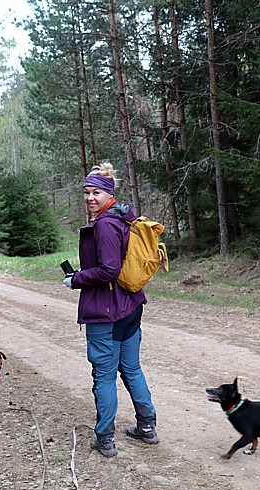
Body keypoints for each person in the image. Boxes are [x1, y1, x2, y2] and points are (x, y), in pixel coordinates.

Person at [63, 162, 158, 458]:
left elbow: (108, 270)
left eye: (96, 192)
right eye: (87, 192)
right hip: (130, 305)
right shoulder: (121, 218)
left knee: (104, 376)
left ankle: (105, 438)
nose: (90, 197)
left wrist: (75, 279)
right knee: (131, 368)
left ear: (108, 194)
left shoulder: (104, 225)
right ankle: (147, 426)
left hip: (106, 311)